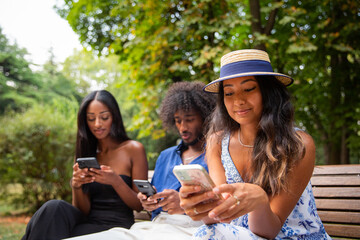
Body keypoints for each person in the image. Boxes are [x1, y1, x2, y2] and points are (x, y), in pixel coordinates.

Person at [179, 49, 331, 239]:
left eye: (249, 89)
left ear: (269, 92)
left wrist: (259, 201)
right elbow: (219, 216)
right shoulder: (216, 141)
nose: (238, 101)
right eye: (229, 93)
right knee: (207, 231)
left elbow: (268, 231)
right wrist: (199, 205)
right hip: (238, 235)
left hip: (290, 236)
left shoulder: (299, 144)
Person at [65, 81, 216, 240]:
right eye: (177, 120)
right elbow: (151, 203)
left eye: (190, 119)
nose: (182, 127)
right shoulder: (166, 157)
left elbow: (223, 204)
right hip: (154, 227)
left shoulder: (216, 155)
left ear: (205, 118)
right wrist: (148, 202)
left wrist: (185, 205)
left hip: (194, 228)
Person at [22, 90, 148, 240]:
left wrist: (115, 181)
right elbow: (82, 210)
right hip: (87, 223)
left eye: (104, 117)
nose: (97, 124)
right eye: (90, 118)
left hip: (116, 226)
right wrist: (76, 186)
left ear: (114, 116)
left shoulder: (133, 149)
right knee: (53, 207)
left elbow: (139, 205)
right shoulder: (85, 153)